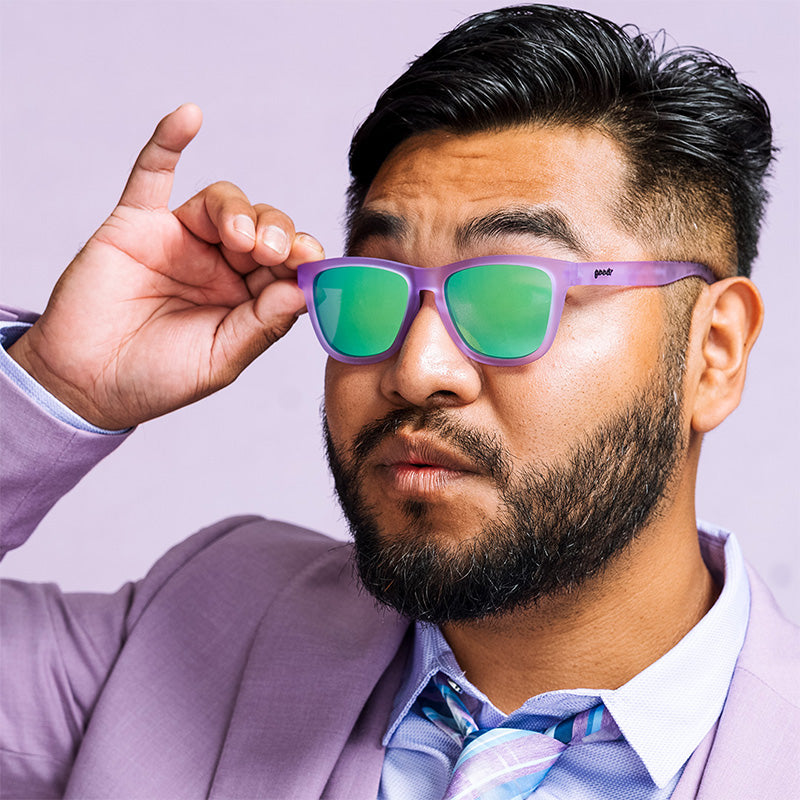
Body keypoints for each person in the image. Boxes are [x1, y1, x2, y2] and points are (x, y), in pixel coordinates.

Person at [1, 3, 798, 798]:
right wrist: (59, 383)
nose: (416, 369)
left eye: (511, 298)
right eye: (374, 291)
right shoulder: (208, 624)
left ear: (713, 352)